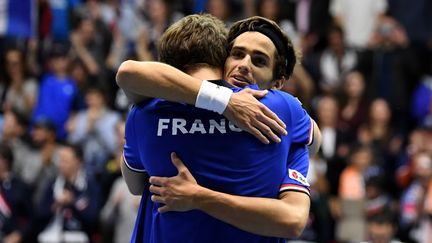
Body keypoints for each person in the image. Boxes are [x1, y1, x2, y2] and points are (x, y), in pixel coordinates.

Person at [117, 15, 320, 242]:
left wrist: (199, 197)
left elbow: (135, 185)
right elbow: (314, 139)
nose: (243, 65)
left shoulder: (143, 113)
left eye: (259, 61)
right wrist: (226, 102)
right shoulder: (284, 109)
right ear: (222, 57)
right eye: (237, 54)